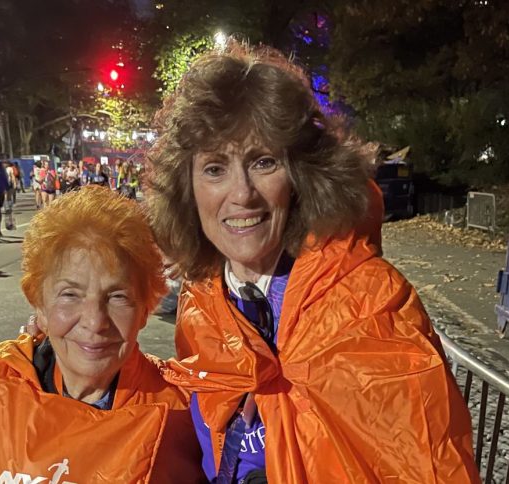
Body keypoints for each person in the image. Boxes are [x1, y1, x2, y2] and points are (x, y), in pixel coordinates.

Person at [144, 42, 479, 482]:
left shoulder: (370, 305)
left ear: (302, 175)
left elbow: (430, 464)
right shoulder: (203, 301)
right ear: (187, 187)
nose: (241, 193)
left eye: (263, 162)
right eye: (214, 168)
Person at [0, 186, 204, 483]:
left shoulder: (186, 418)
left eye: (118, 297)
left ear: (144, 309)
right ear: (39, 306)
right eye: (70, 295)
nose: (95, 322)